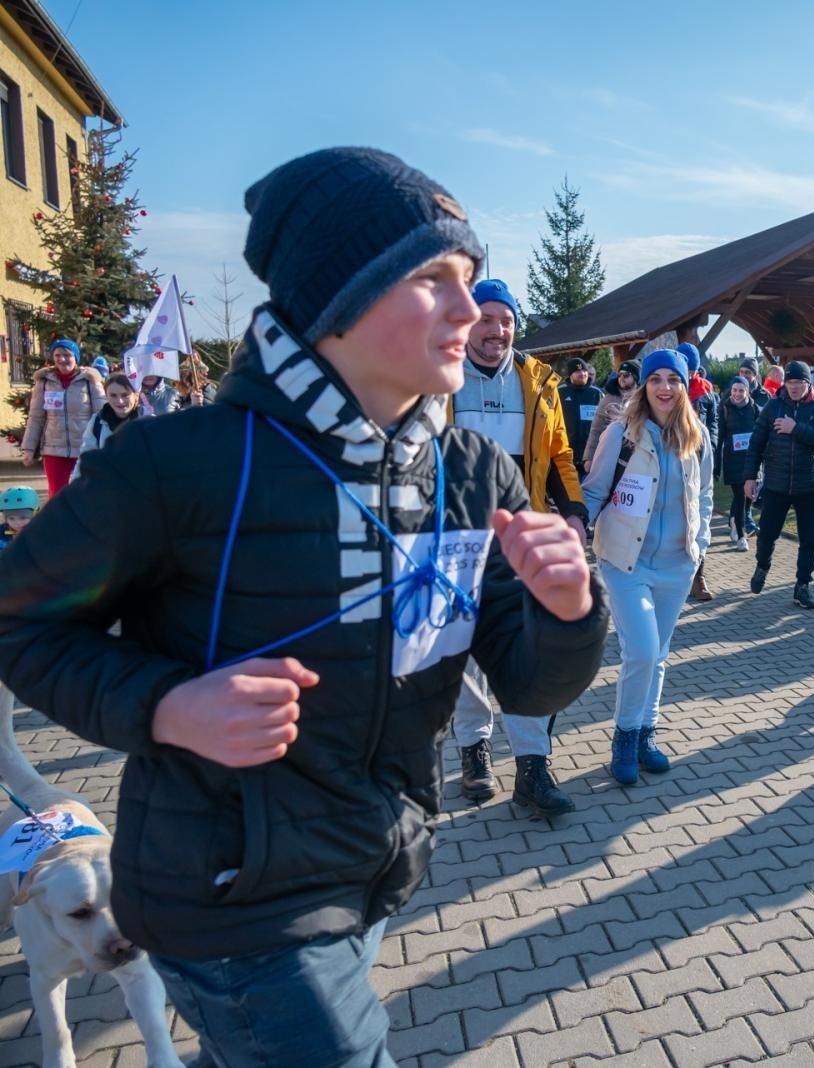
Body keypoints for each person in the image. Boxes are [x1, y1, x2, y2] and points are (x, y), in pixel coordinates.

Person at [0, 146, 608, 1067]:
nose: (470, 309)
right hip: (226, 895)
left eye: (472, 280)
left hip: (377, 864)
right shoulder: (176, 464)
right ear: (336, 299)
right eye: (433, 279)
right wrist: (166, 706)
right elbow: (21, 621)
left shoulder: (475, 474)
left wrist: (567, 612)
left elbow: (524, 686)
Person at [446, 277, 588, 816]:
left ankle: (532, 765)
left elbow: (559, 455)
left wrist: (573, 511)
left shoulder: (539, 382)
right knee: (464, 653)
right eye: (485, 318)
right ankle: (474, 750)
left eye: (505, 320)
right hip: (456, 536)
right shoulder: (437, 376)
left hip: (520, 536)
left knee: (529, 648)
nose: (496, 330)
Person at [582, 348, 712, 785]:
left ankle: (645, 736)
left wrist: (702, 546)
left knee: (658, 655)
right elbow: (595, 490)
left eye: (673, 380)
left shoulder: (698, 437)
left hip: (677, 565)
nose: (665, 387)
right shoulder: (621, 433)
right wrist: (573, 529)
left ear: (685, 385)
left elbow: (705, 497)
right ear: (644, 385)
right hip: (625, 560)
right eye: (656, 379)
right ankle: (624, 735)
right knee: (639, 651)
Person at [745, 360, 814, 610]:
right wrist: (750, 477)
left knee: (810, 540)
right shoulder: (773, 406)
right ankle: (762, 566)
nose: (794, 387)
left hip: (809, 485)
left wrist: (795, 428)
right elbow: (756, 443)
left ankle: (802, 586)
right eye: (790, 382)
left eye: (800, 382)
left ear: (808, 383)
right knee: (766, 536)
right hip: (776, 484)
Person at [20, 339, 106, 496]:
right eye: (57, 355)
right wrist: (28, 448)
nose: (62, 359)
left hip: (84, 448)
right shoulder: (44, 382)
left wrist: (104, 446)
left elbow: (101, 416)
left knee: (85, 493)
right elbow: (36, 417)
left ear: (76, 358)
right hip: (54, 449)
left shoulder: (90, 381)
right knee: (57, 495)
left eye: (67, 355)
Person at [678, 343, 720, 603]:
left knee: (699, 519)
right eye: (688, 369)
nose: (691, 375)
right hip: (675, 457)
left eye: (694, 370)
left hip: (699, 455)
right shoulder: (670, 386)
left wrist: (712, 445)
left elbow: (714, 422)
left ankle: (698, 575)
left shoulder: (706, 391)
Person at [70, 372, 141, 479]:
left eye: (125, 395)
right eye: (113, 395)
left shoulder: (148, 421)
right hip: (108, 487)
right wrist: (74, 486)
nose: (120, 401)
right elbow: (86, 457)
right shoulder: (97, 421)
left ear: (136, 395)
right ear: (106, 396)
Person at [720, 376, 758, 550]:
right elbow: (719, 434)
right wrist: (714, 461)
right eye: (734, 390)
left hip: (751, 460)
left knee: (747, 496)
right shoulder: (725, 408)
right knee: (741, 495)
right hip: (732, 460)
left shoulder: (755, 409)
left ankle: (734, 521)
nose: (737, 393)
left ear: (747, 391)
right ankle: (741, 536)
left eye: (741, 390)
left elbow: (761, 434)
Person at [584, 359, 638, 472]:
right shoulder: (607, 399)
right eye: (620, 375)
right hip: (608, 454)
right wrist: (589, 457)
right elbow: (595, 430)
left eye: (626, 375)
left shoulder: (642, 400)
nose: (622, 378)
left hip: (635, 457)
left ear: (636, 378)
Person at [558, 357, 603, 461]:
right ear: (570, 374)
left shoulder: (597, 393)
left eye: (584, 370)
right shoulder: (559, 392)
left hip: (590, 454)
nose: (582, 374)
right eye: (578, 371)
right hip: (565, 452)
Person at [0, 486, 37, 550]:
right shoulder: (2, 530)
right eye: (11, 518)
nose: (17, 522)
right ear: (6, 519)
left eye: (23, 518)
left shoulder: (39, 532)